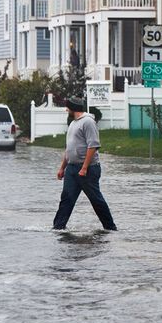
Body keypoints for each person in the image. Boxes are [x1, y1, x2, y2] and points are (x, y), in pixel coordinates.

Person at [53, 96, 117, 231]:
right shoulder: (73, 123)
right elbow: (69, 148)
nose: (66, 110)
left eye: (68, 107)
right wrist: (62, 168)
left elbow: (93, 145)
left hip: (87, 169)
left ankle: (110, 227)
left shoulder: (88, 122)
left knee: (96, 200)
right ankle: (58, 228)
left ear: (73, 108)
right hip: (71, 168)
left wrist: (84, 167)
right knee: (66, 198)